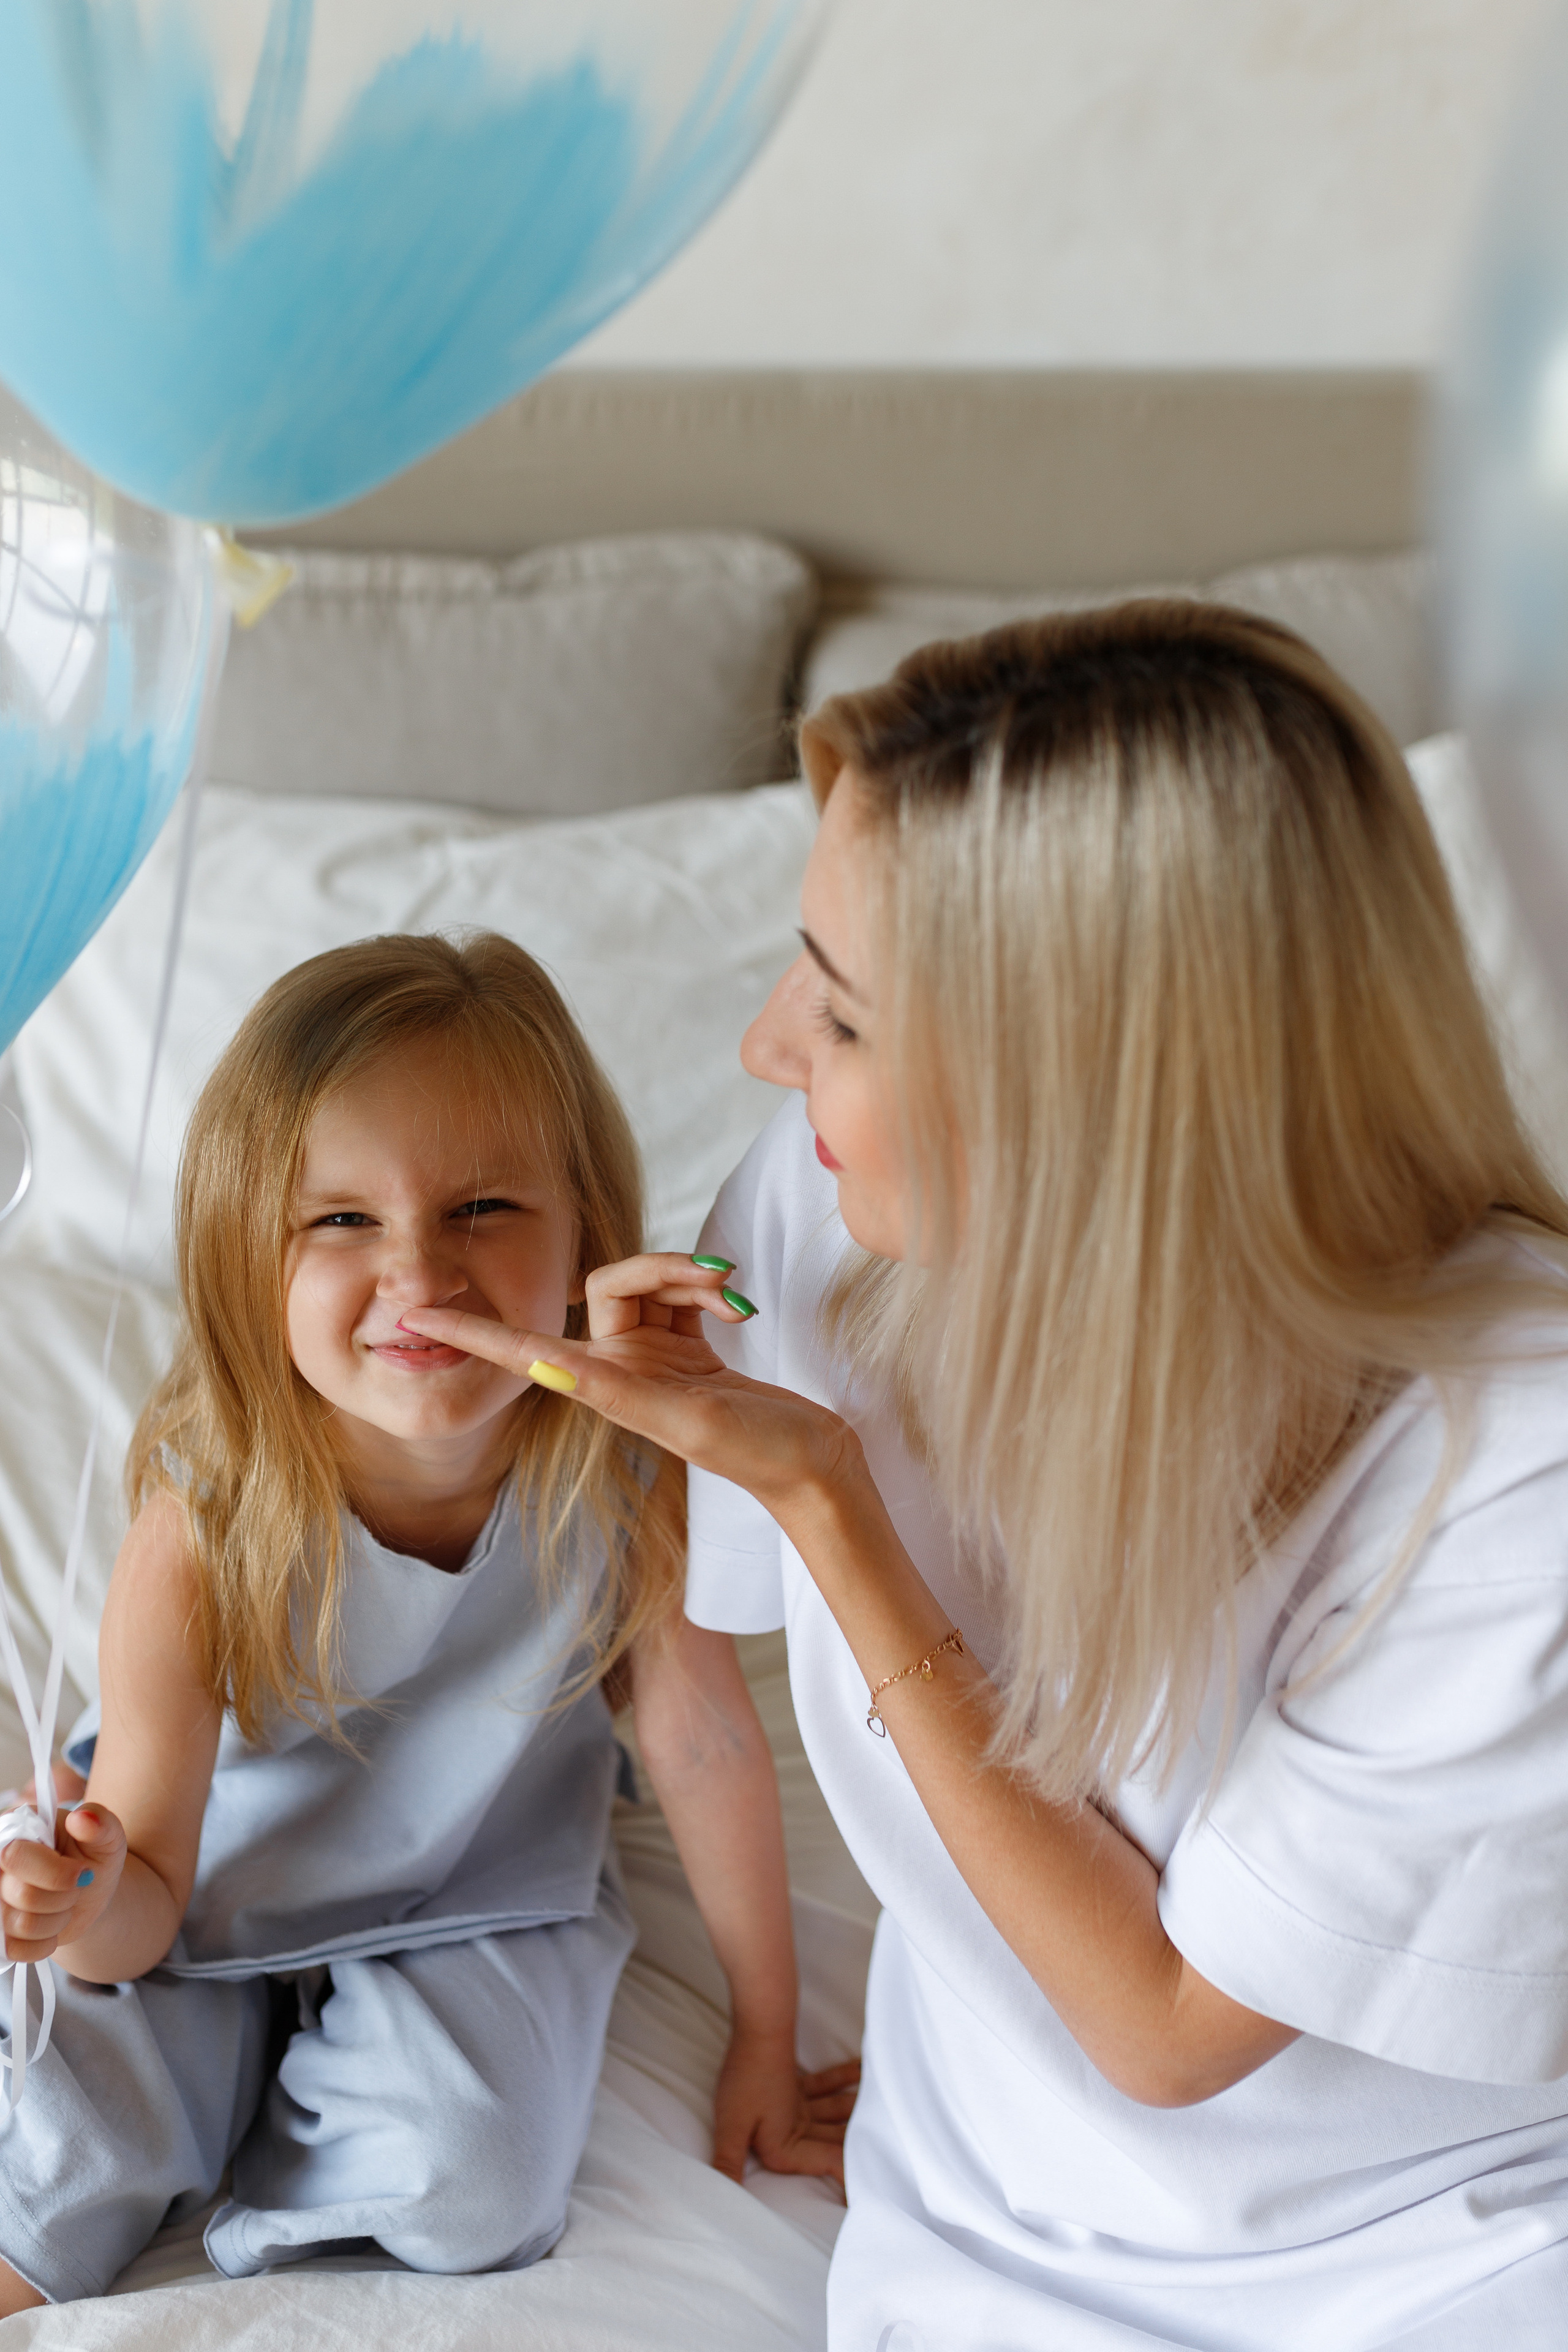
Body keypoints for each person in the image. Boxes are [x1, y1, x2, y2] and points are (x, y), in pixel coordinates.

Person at [401, 604, 1568, 2351]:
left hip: (1439, 2259)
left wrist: (829, 1504)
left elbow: (1165, 2030)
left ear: (1078, 1086)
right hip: (973, 2227)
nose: (771, 1048)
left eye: (845, 1014)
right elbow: (676, 1668)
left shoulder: (1519, 1457)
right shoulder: (816, 1212)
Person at [0, 930, 848, 2312]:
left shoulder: (624, 1470)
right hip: (195, 1893)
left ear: (581, 1233)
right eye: (342, 1221)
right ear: (249, 1257)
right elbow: (140, 1898)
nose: (422, 1276)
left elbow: (699, 1742)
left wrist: (768, 2033)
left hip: (473, 1891)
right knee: (54, 2178)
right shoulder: (202, 1533)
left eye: (484, 1207)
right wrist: (79, 1909)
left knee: (473, 2184)